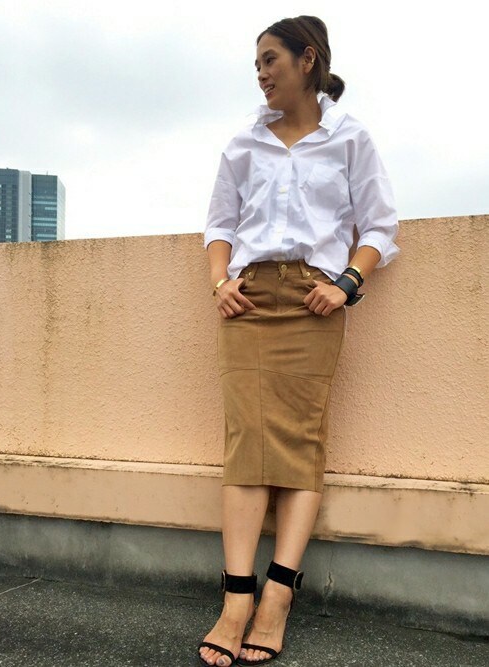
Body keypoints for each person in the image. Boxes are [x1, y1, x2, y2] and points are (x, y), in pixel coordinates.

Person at [198, 15, 400, 667]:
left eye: (270, 59)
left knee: (301, 442)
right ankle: (236, 598)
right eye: (256, 64)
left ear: (307, 59)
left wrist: (347, 283)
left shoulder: (350, 139)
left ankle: (278, 594)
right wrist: (219, 282)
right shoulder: (242, 144)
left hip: (315, 302)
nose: (260, 73)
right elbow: (219, 225)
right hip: (249, 300)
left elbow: (380, 227)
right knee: (245, 443)